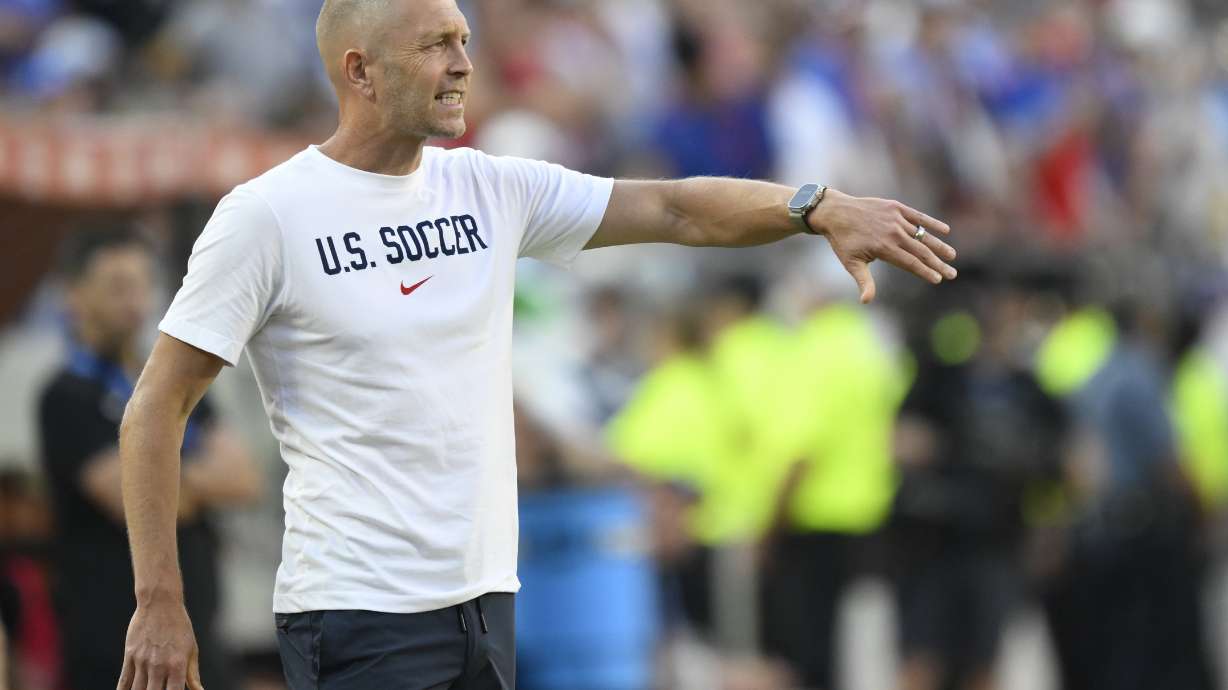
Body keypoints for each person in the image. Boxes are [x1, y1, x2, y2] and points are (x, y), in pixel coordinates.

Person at [115, 1, 958, 688]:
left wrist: (814, 207)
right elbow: (157, 405)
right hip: (358, 611)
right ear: (359, 71)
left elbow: (673, 209)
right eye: (436, 45)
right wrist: (159, 599)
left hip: (488, 606)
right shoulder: (268, 215)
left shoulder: (490, 186)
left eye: (466, 40)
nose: (462, 63)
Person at [36, 228, 262, 690]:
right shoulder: (66, 396)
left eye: (142, 284)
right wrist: (193, 480)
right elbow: (128, 499)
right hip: (118, 647)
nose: (134, 301)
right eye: (117, 286)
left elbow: (243, 479)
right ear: (75, 294)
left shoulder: (169, 386)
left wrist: (156, 475)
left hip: (200, 631)